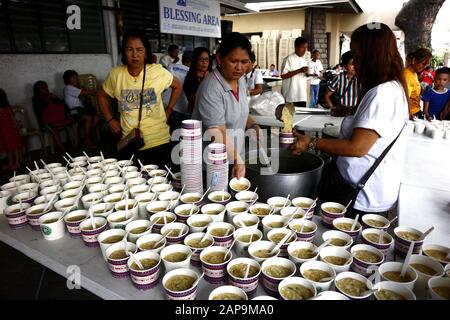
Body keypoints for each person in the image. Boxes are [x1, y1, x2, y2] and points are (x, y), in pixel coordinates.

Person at [291, 23, 409, 218]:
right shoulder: (392, 87)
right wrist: (353, 112)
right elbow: (380, 124)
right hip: (371, 190)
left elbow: (357, 148)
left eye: (356, 53)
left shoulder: (382, 93)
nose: (354, 61)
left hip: (362, 195)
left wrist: (311, 142)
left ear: (371, 55)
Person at [97, 29, 182, 166]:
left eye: (139, 50)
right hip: (130, 142)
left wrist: (169, 110)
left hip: (158, 140)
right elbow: (101, 95)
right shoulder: (116, 75)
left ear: (146, 52)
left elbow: (177, 86)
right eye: (130, 49)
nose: (135, 55)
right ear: (124, 52)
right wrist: (110, 120)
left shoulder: (158, 72)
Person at [192, 32, 261, 179]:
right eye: (234, 61)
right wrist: (236, 158)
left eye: (244, 62)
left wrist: (253, 126)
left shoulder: (240, 80)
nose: (239, 68)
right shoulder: (211, 88)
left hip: (235, 158)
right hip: (212, 163)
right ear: (219, 58)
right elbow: (216, 132)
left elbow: (240, 110)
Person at [32, 81, 72, 152]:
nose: (45, 88)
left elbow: (63, 105)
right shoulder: (36, 99)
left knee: (71, 120)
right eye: (42, 87)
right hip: (45, 121)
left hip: (56, 119)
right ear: (38, 89)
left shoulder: (50, 95)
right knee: (54, 129)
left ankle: (54, 124)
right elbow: (39, 111)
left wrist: (56, 98)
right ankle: (63, 149)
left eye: (45, 86)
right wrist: (46, 100)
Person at [63, 70, 98, 148]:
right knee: (88, 117)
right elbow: (85, 93)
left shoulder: (75, 89)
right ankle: (87, 140)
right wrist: (98, 91)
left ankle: (91, 135)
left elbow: (84, 99)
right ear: (68, 79)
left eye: (76, 78)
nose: (76, 79)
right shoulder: (68, 87)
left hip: (80, 110)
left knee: (95, 116)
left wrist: (86, 96)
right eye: (73, 78)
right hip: (74, 112)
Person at [324, 50, 359, 116]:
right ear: (345, 66)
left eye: (356, 63)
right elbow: (327, 95)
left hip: (356, 114)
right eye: (351, 64)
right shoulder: (339, 78)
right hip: (342, 114)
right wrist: (332, 107)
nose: (354, 66)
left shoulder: (361, 79)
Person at [164, 51, 192, 133]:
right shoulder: (191, 73)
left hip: (166, 104)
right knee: (177, 137)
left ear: (183, 60)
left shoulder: (171, 66)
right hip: (180, 109)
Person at [404, 47, 432, 119]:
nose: (424, 67)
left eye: (426, 65)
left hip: (416, 111)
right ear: (414, 60)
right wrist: (410, 115)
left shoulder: (414, 74)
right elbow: (405, 98)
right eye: (423, 64)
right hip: (411, 113)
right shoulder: (407, 75)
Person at [281, 37, 309, 107]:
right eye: (302, 47)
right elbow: (283, 76)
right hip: (291, 96)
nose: (304, 50)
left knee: (302, 117)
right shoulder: (288, 59)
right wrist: (300, 70)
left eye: (306, 48)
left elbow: (303, 75)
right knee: (290, 117)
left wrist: (308, 74)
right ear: (296, 47)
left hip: (302, 95)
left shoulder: (304, 60)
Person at [183, 47, 211, 115]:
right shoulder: (190, 78)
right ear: (195, 61)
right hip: (196, 115)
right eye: (201, 59)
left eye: (206, 59)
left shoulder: (212, 76)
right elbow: (196, 100)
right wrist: (205, 80)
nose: (204, 62)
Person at [0, 89, 23, 171]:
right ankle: (10, 162)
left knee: (14, 147)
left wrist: (18, 128)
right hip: (2, 132)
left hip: (10, 131)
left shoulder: (7, 109)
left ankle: (17, 162)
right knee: (7, 148)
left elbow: (13, 120)